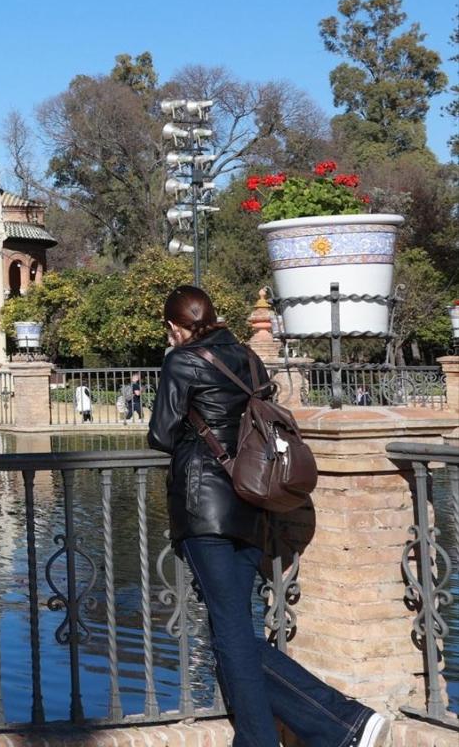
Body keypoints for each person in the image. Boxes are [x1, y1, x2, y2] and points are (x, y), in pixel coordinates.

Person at [148, 286, 388, 747]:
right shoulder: (247, 357)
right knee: (236, 629)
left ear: (175, 326)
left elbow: (161, 433)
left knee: (233, 635)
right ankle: (324, 728)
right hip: (253, 500)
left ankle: (343, 721)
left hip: (205, 509)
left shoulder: (181, 360)